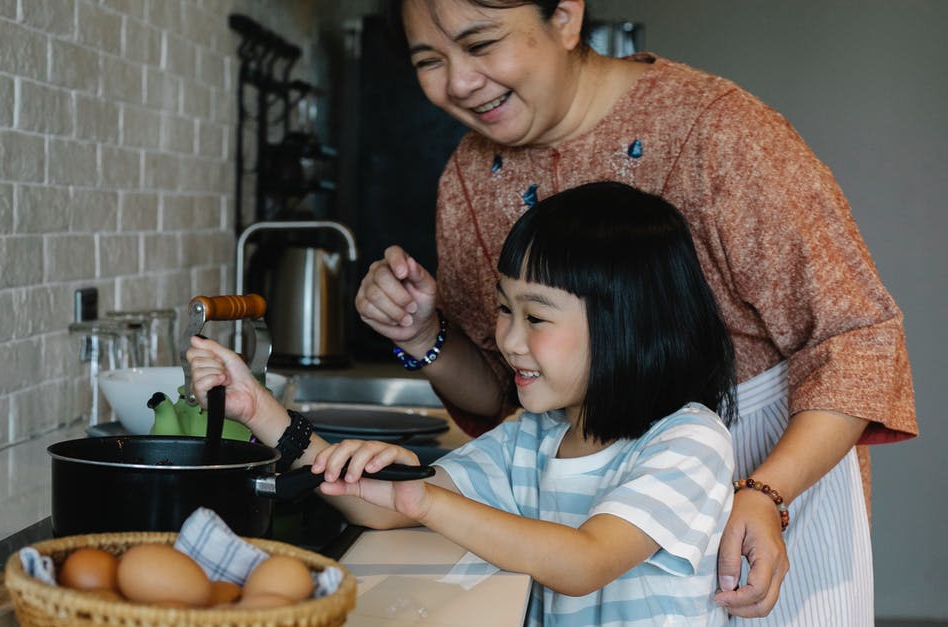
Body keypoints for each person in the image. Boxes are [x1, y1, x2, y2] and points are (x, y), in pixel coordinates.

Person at [352, 1, 918, 625]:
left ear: (565, 17)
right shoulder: (467, 177)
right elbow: (506, 389)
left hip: (772, 458)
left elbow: (857, 339)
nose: (457, 82)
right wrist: (426, 334)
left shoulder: (717, 130)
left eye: (482, 45)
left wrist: (766, 491)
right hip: (587, 483)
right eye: (429, 60)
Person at [190, 182, 740, 626]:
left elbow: (585, 561)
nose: (510, 340)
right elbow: (376, 505)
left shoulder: (689, 440)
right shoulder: (535, 435)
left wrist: (424, 502)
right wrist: (257, 409)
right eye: (505, 309)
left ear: (630, 325)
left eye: (537, 317)